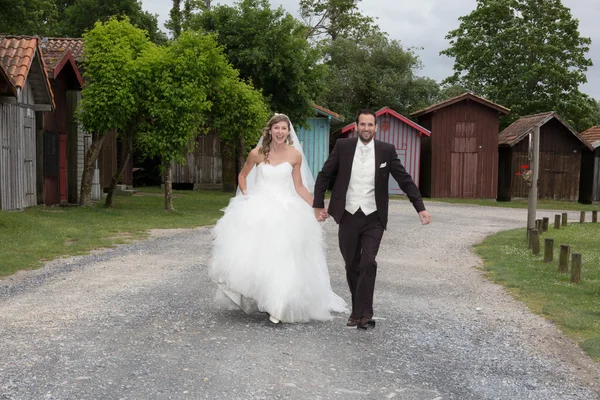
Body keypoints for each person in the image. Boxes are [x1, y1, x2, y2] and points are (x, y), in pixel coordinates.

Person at [209, 114, 347, 324]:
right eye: (277, 128)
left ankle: (278, 305)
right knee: (254, 256)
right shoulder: (257, 153)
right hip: (259, 206)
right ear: (270, 130)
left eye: (284, 128)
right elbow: (242, 176)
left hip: (286, 208)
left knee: (282, 258)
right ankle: (254, 296)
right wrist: (246, 196)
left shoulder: (294, 156)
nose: (280, 132)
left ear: (288, 132)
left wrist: (315, 206)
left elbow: (299, 187)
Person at [313, 109, 431, 330]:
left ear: (375, 128)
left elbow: (404, 179)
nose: (366, 128)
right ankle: (359, 309)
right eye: (362, 125)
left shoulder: (386, 151)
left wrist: (420, 207)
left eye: (370, 125)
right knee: (351, 265)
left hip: (373, 216)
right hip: (347, 214)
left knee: (368, 262)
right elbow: (324, 175)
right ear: (356, 127)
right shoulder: (343, 147)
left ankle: (363, 313)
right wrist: (318, 204)